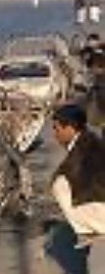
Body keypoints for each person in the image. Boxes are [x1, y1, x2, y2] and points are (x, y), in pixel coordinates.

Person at [51, 104, 105, 242]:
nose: (55, 134)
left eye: (57, 129)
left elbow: (66, 173)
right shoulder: (90, 138)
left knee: (59, 184)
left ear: (69, 128)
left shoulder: (82, 148)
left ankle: (90, 227)